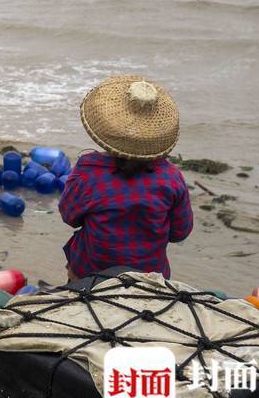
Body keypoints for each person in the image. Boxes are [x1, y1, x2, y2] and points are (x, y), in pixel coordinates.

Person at [59, 75, 192, 281]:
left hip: (91, 273)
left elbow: (69, 217)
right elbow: (180, 232)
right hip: (150, 277)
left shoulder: (88, 171)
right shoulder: (171, 178)